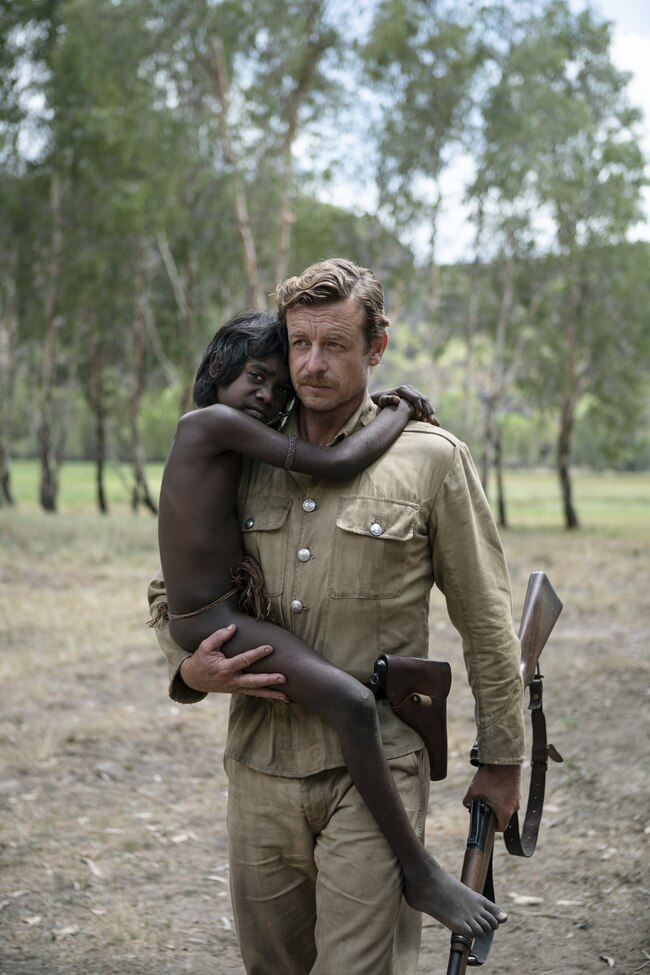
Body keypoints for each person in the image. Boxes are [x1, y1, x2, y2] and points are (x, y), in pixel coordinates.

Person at [149, 258, 524, 975]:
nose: (312, 364)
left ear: (376, 346)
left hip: (376, 767)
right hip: (260, 770)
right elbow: (172, 588)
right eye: (299, 345)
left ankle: (420, 872)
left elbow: (487, 621)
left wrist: (503, 759)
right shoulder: (245, 443)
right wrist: (188, 668)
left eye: (337, 345)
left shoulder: (431, 459)